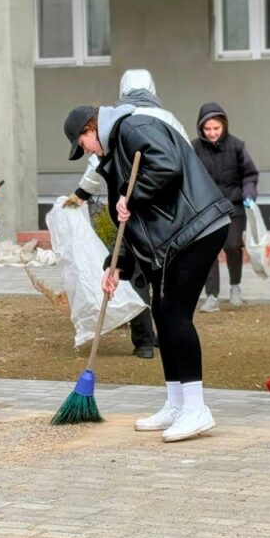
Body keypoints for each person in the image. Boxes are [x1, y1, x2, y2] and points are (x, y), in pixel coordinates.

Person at [63, 103, 233, 441]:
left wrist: (132, 194)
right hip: (171, 238)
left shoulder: (133, 127)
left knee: (174, 313)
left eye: (82, 144)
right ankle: (177, 402)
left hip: (196, 227)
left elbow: (166, 167)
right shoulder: (115, 157)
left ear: (90, 129)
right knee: (162, 312)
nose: (86, 151)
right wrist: (117, 264)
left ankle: (196, 408)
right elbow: (131, 222)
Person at [63, 69, 187, 359]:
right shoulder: (166, 117)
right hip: (169, 215)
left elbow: (98, 166)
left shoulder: (120, 120)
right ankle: (156, 338)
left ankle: (146, 340)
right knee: (158, 281)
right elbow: (186, 158)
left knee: (141, 276)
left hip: (143, 213)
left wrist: (83, 193)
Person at [191, 102, 259, 312]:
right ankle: (211, 296)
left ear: (224, 126)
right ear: (201, 128)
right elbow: (190, 176)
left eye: (216, 128)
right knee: (208, 252)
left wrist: (248, 193)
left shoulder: (237, 146)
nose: (212, 133)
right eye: (207, 129)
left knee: (232, 246)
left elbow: (249, 174)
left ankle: (235, 286)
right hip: (207, 208)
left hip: (234, 206)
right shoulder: (194, 148)